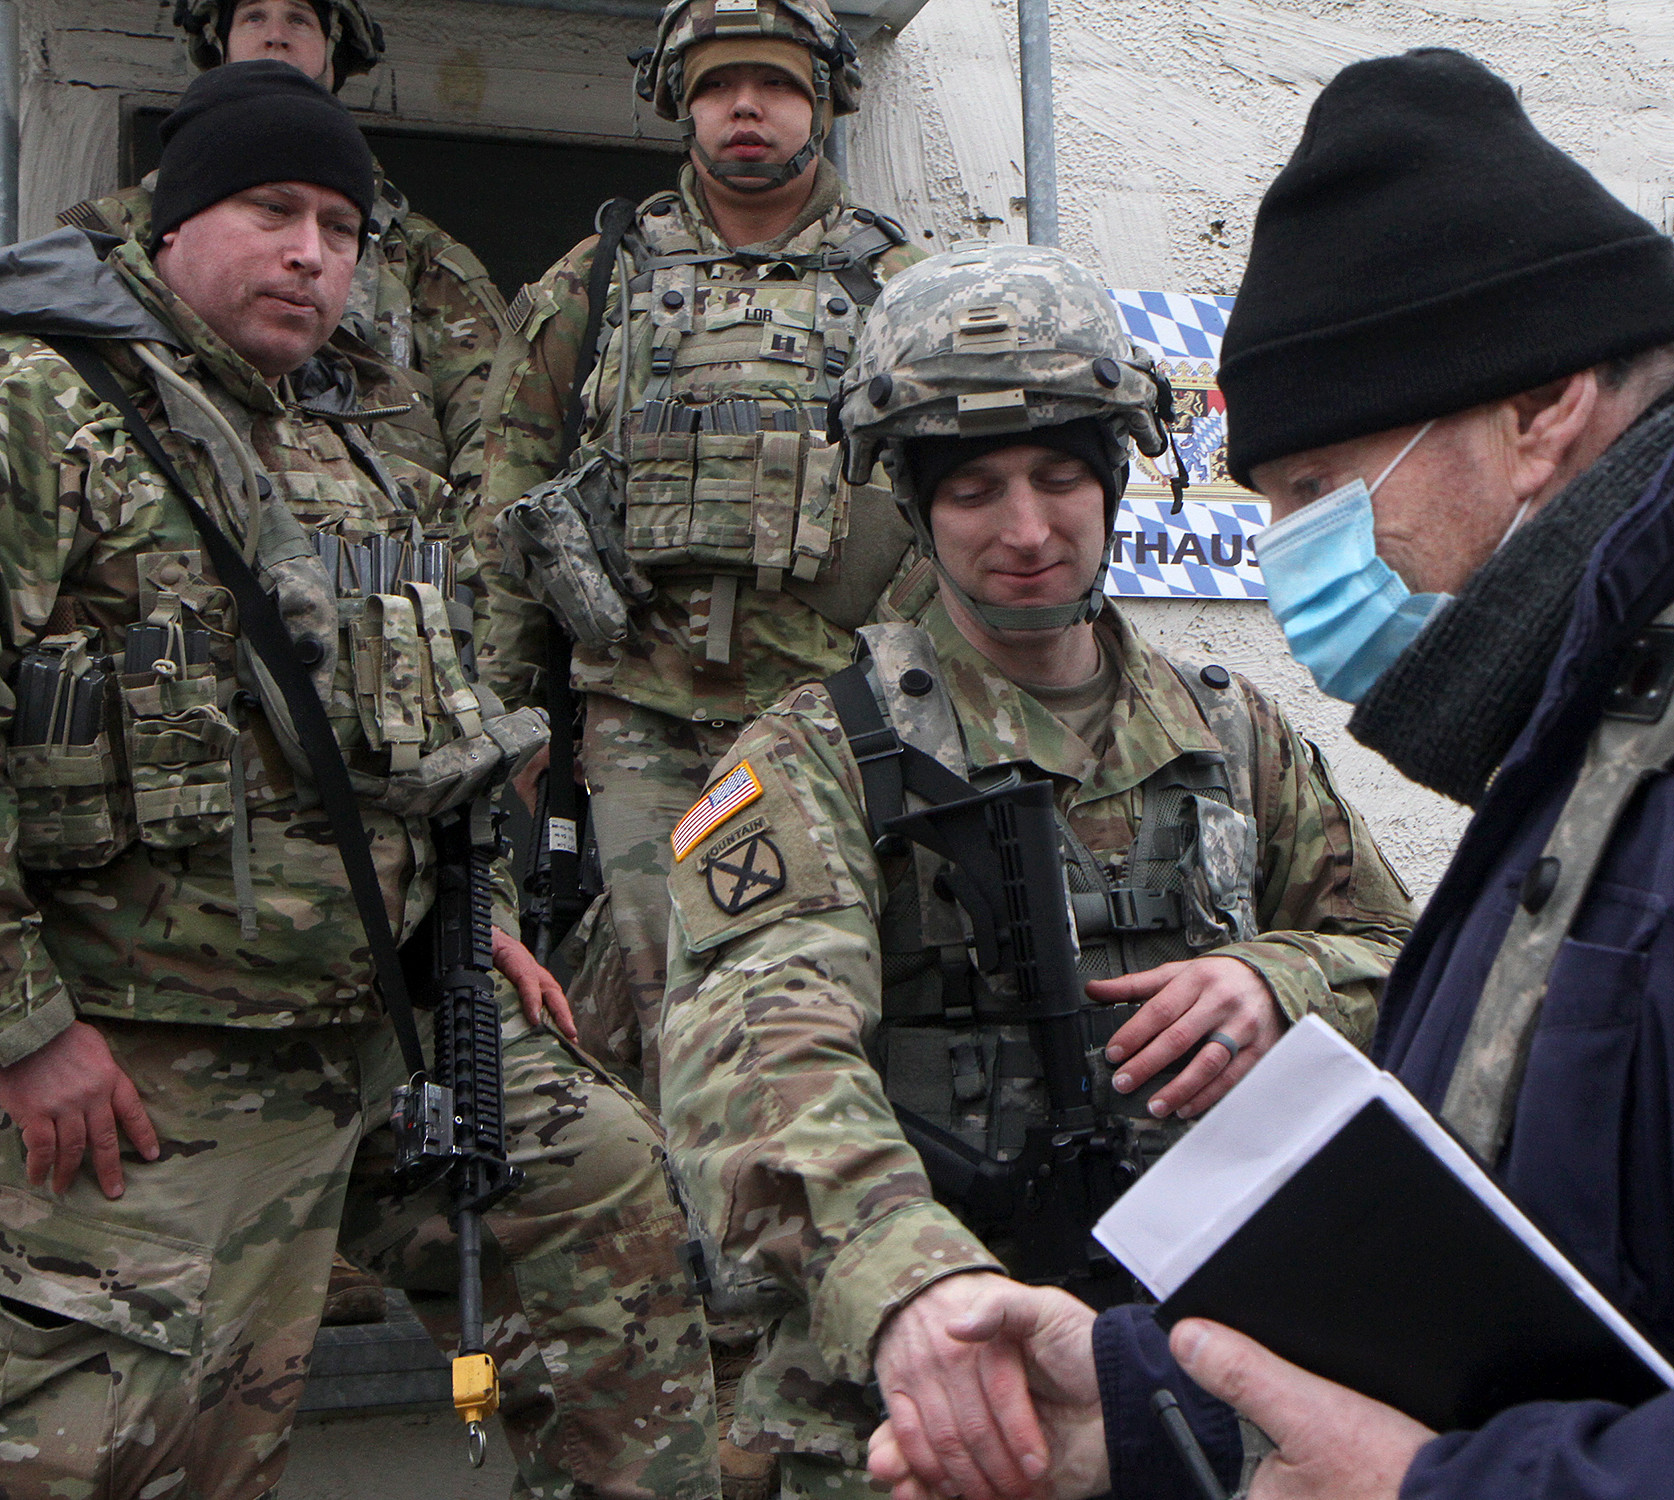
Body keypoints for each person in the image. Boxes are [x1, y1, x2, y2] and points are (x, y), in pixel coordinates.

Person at [862, 48, 1674, 1500]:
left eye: (1321, 489)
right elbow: (1541, 1288)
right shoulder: (1619, 709)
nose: (1293, 552)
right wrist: (1146, 1403)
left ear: (1541, 408)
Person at [0, 63, 718, 1499]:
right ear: (171, 220)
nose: (311, 252)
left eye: (341, 226)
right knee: (122, 1444)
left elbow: (432, 727)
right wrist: (23, 1026)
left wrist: (473, 911)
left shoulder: (349, 451)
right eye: (273, 210)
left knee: (606, 1186)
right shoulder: (40, 412)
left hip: (381, 1018)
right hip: (145, 1049)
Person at [654, 241, 1416, 1500]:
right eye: (975, 491)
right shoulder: (815, 755)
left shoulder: (1231, 735)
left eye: (1061, 477)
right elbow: (755, 1053)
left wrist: (1279, 981)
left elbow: (1410, 965)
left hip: (1209, 1359)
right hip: (934, 1386)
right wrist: (913, 1282)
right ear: (912, 502)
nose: (1026, 530)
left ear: (1115, 481)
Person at [482, 0, 926, 1109]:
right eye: (720, 84)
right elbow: (506, 493)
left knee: (812, 983)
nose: (745, 107)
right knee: (656, 986)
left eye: (774, 84)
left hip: (829, 712)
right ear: (680, 99)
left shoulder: (899, 286)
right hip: (639, 708)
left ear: (821, 99)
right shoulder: (598, 280)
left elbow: (953, 493)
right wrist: (503, 721)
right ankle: (685, 1245)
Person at [62, 0, 507, 496]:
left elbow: (492, 443)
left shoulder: (423, 258)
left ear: (332, 46)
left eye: (298, 18)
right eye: (253, 16)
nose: (275, 36)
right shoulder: (113, 233)